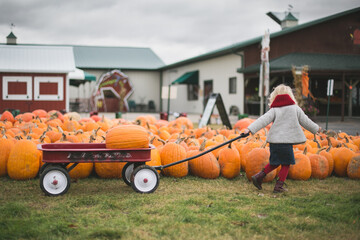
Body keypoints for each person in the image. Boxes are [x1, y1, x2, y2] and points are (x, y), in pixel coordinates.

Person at [243, 84, 320, 193]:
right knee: (286, 163)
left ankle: (259, 176)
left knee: (275, 162)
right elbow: (306, 121)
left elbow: (262, 120)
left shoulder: (275, 109)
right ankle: (278, 186)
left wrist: (249, 129)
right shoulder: (295, 109)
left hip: (274, 142)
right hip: (285, 142)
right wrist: (316, 129)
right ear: (290, 96)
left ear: (275, 96)